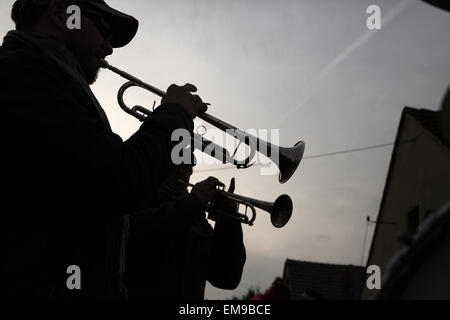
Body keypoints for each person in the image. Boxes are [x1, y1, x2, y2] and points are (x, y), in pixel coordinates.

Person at [1, 0, 210, 299]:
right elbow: (118, 179)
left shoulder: (47, 79)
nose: (109, 47)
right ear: (62, 14)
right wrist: (175, 114)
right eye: (104, 28)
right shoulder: (24, 75)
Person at [124, 161, 246, 300]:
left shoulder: (198, 221)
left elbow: (226, 278)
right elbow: (144, 231)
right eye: (174, 164)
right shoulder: (134, 201)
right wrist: (193, 202)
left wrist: (228, 220)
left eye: (187, 167)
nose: (180, 171)